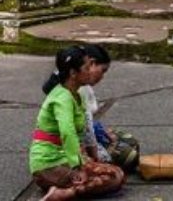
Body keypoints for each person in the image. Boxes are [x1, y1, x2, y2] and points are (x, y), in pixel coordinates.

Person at [30, 46, 125, 201]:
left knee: (117, 173)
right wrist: (77, 167)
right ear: (73, 73)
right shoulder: (62, 99)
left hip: (65, 159)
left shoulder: (76, 94)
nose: (90, 71)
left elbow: (84, 131)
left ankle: (66, 188)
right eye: (87, 68)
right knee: (113, 178)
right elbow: (68, 133)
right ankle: (65, 194)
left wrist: (87, 160)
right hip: (49, 166)